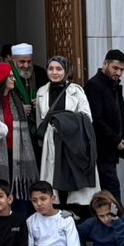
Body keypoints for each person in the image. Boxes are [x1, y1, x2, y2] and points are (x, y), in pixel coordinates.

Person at [35, 57, 97, 208]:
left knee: (75, 181)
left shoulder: (76, 91)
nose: (54, 72)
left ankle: (76, 212)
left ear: (66, 70)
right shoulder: (42, 92)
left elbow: (87, 117)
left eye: (59, 69)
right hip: (52, 140)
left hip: (73, 142)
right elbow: (39, 120)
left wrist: (64, 122)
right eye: (51, 69)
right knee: (53, 180)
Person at [83, 53, 124, 203]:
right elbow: (96, 120)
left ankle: (115, 220)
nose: (118, 73)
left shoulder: (115, 86)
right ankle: (118, 222)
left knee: (110, 190)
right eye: (115, 68)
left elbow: (122, 116)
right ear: (105, 64)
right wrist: (116, 140)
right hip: (100, 150)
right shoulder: (94, 85)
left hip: (110, 149)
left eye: (121, 70)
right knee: (110, 192)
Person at [0, 59, 38, 190]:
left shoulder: (16, 98)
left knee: (18, 186)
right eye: (10, 76)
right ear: (2, 80)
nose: (14, 79)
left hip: (17, 151)